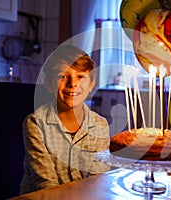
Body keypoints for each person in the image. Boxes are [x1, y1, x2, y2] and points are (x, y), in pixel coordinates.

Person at [20, 45, 110, 194]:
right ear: (48, 84)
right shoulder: (36, 124)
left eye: (80, 77)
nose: (72, 84)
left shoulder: (100, 125)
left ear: (91, 84)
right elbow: (45, 185)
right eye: (62, 76)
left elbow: (97, 180)